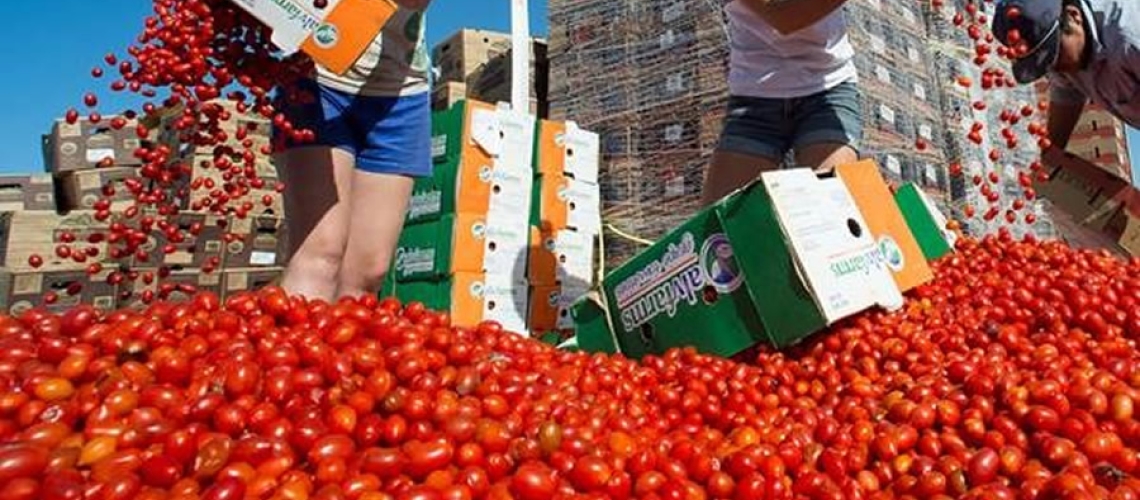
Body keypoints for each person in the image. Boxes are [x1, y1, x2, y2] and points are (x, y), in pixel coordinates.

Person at [273, 1, 432, 302]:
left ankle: (348, 348)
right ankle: (299, 345)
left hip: (400, 94)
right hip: (317, 78)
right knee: (321, 252)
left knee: (368, 272)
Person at [702, 0, 862, 205]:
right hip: (754, 100)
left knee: (834, 211)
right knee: (718, 230)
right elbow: (783, 17)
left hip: (829, 90)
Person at [991, 0, 1139, 160]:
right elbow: (1066, 99)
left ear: (1074, 16)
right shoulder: (1064, 60)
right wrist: (1047, 161)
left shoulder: (1129, 41)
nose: (1054, 68)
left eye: (1055, 54)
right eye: (1046, 64)